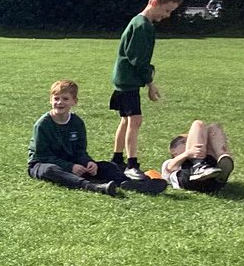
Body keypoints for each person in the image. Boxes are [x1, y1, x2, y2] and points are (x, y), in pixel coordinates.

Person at [28, 79, 166, 196]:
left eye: (65, 99)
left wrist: (88, 162)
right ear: (50, 100)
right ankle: (93, 186)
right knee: (50, 170)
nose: (59, 102)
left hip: (72, 162)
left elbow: (80, 151)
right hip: (42, 164)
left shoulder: (77, 122)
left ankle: (128, 183)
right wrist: (70, 166)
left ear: (74, 101)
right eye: (56, 99)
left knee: (108, 166)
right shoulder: (43, 124)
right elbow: (42, 155)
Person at [109, 0, 184, 180]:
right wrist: (150, 81)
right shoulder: (142, 26)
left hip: (124, 80)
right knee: (135, 120)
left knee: (126, 120)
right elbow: (138, 60)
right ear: (154, 2)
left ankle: (116, 159)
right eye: (167, 10)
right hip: (128, 81)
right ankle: (131, 165)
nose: (167, 15)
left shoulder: (139, 22)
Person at [161, 120, 235, 192]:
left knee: (214, 127)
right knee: (198, 124)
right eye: (184, 142)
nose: (190, 143)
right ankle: (198, 166)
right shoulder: (170, 162)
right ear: (173, 151)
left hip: (212, 181)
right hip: (189, 179)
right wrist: (187, 154)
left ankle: (223, 161)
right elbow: (170, 168)